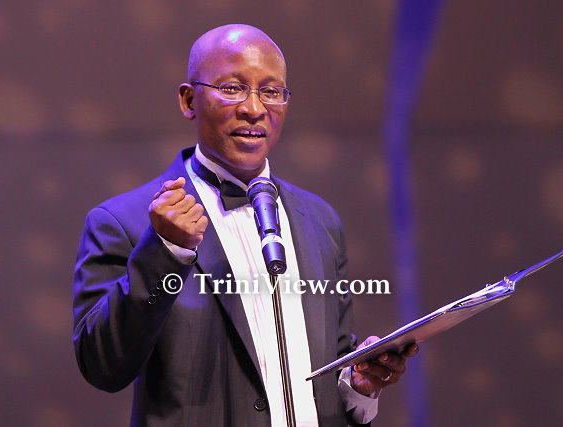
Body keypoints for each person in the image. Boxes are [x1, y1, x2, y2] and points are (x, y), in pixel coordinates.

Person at [73, 24, 418, 427]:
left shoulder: (320, 220)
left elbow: (333, 364)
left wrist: (359, 384)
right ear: (189, 100)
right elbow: (102, 366)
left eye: (271, 91)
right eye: (232, 88)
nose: (254, 108)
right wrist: (164, 252)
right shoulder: (124, 221)